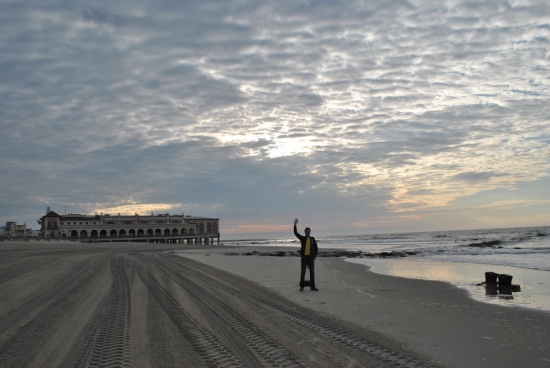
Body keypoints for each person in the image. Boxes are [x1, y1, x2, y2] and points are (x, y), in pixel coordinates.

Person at [294, 218, 319, 291]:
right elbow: (296, 233)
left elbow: (316, 249)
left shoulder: (312, 239)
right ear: (305, 232)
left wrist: (314, 256)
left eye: (308, 231)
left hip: (311, 258)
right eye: (306, 231)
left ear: (310, 232)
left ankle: (312, 286)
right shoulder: (302, 238)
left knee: (312, 273)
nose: (307, 232)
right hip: (304, 258)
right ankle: (302, 286)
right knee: (303, 272)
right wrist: (295, 225)